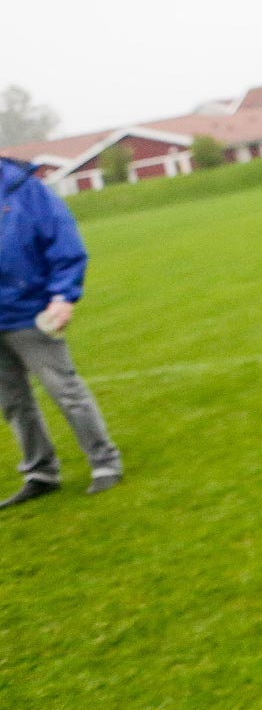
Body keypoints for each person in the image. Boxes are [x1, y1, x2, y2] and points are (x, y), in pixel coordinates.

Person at [0, 156, 123, 508]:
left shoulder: (26, 189)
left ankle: (104, 462)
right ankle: (40, 473)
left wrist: (63, 295)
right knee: (12, 404)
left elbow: (63, 240)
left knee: (65, 391)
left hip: (32, 311)